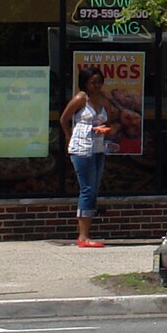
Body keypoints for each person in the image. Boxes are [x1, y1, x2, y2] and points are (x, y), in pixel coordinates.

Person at [59, 68, 136, 250]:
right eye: (93, 82)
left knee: (94, 189)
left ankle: (87, 232)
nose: (97, 86)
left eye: (99, 82)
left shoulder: (103, 100)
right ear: (85, 82)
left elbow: (108, 120)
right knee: (87, 189)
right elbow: (64, 119)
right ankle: (83, 236)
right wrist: (70, 137)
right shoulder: (80, 99)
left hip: (98, 147)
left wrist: (104, 128)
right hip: (82, 148)